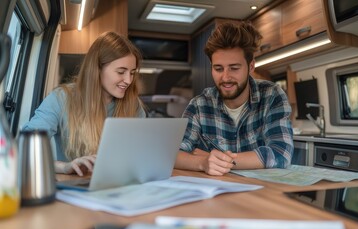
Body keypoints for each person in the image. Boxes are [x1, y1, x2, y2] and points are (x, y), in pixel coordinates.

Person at [175, 21, 293, 176]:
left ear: (251, 66)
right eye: (218, 69)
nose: (225, 77)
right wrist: (203, 162)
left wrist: (219, 160)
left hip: (260, 193)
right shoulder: (199, 105)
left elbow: (281, 154)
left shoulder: (272, 96)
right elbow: (173, 154)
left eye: (234, 68)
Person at [22, 31, 146, 176]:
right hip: (77, 185)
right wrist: (64, 167)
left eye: (132, 73)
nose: (128, 80)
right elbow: (25, 149)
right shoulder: (61, 99)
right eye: (121, 72)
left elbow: (142, 151)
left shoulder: (133, 103)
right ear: (97, 69)